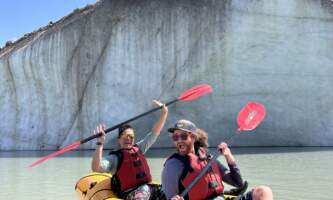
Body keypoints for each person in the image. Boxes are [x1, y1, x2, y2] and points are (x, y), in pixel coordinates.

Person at [162, 119, 273, 200]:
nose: (179, 140)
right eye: (175, 137)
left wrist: (228, 156)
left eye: (183, 136)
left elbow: (237, 183)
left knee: (263, 191)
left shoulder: (207, 158)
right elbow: (170, 197)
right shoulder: (173, 165)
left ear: (193, 137)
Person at [91, 100, 168, 200]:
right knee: (144, 191)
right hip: (131, 193)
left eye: (131, 137)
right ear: (119, 139)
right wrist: (100, 143)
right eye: (125, 136)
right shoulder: (115, 158)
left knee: (166, 192)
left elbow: (155, 133)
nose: (129, 139)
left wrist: (164, 113)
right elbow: (96, 168)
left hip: (148, 189)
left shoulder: (139, 148)